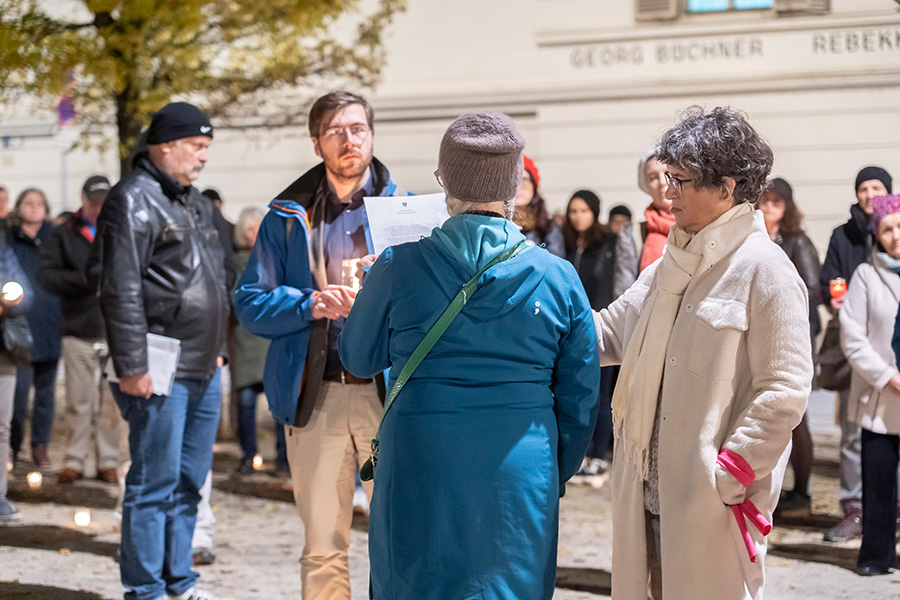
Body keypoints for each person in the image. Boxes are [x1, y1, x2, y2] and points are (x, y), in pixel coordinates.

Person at [338, 112, 600, 600]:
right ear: (515, 186)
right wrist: (553, 469)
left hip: (420, 453)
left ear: (444, 184)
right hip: (522, 463)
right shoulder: (560, 276)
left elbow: (357, 357)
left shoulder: (397, 266)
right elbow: (581, 396)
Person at [592, 107, 812, 599]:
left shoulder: (766, 269)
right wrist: (522, 305)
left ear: (726, 186)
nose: (667, 191)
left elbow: (786, 390)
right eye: (668, 177)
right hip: (643, 501)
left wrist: (728, 474)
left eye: (680, 180)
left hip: (708, 507)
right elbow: (606, 334)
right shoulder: (669, 265)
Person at [234, 90, 409, 600]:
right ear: (317, 144)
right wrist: (309, 303)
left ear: (372, 135)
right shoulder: (285, 217)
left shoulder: (403, 211)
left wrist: (391, 287)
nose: (348, 140)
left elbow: (437, 304)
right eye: (335, 131)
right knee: (323, 542)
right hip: (316, 395)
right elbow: (248, 302)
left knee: (399, 537)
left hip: (389, 397)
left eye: (357, 128)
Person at [95, 101, 229, 600]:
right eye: (197, 146)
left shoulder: (194, 201)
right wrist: (132, 365)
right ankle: (146, 589)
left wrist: (218, 350)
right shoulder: (131, 199)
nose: (203, 158)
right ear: (165, 144)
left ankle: (180, 582)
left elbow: (217, 277)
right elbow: (118, 287)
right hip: (156, 367)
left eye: (206, 148)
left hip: (204, 365)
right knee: (153, 483)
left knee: (189, 482)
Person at [819, 165, 893, 542]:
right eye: (862, 188)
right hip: (855, 345)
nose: (868, 194)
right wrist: (842, 302)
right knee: (852, 431)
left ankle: (891, 513)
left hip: (892, 348)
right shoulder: (843, 235)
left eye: (876, 187)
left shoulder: (896, 230)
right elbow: (831, 279)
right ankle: (854, 508)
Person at [38, 175, 126, 485]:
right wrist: (85, 281)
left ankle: (109, 460)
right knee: (79, 400)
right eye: (93, 203)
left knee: (113, 403)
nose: (97, 208)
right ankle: (74, 459)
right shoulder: (65, 234)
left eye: (103, 203)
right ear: (83, 201)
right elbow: (47, 275)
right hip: (78, 327)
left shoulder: (121, 230)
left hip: (116, 329)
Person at [841, 193, 900, 576]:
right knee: (878, 484)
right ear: (876, 233)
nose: (896, 236)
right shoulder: (866, 275)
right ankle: (877, 556)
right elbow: (852, 337)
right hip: (882, 397)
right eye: (888, 229)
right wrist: (887, 376)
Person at [757, 177, 821, 518]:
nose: (768, 207)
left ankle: (802, 493)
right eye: (764, 200)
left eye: (776, 202)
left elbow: (815, 289)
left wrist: (776, 298)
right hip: (758, 335)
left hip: (793, 337)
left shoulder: (797, 242)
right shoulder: (751, 238)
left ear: (787, 207)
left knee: (796, 415)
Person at [563, 189, 637, 484]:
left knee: (602, 393)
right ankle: (579, 455)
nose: (577, 216)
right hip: (572, 326)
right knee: (576, 390)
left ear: (594, 212)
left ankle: (597, 455)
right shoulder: (567, 243)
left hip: (601, 325)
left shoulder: (609, 242)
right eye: (573, 211)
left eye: (583, 210)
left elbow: (620, 280)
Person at [6, 188, 62, 469]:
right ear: (19, 207)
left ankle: (40, 445)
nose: (34, 208)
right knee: (17, 396)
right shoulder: (10, 239)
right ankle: (12, 446)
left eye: (40, 203)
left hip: (50, 325)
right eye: (29, 203)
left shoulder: (54, 238)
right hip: (21, 329)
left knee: (45, 395)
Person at [230, 207, 286, 475]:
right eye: (251, 229)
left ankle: (283, 458)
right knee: (246, 403)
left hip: (271, 339)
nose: (255, 234)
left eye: (258, 228)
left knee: (278, 404)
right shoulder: (237, 262)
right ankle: (249, 456)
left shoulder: (276, 258)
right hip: (246, 342)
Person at [0, 240, 31, 521]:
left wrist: (10, 299)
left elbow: (26, 293)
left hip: (3, 351)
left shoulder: (4, 253)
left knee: (1, 427)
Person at [512, 155, 564, 257]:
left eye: (524, 179)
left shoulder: (548, 228)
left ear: (534, 186)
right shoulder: (500, 224)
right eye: (513, 180)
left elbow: (554, 263)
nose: (518, 187)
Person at [637, 148, 675, 272]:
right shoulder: (634, 234)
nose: (662, 182)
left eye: (667, 174)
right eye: (653, 178)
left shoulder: (698, 224)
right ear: (645, 185)